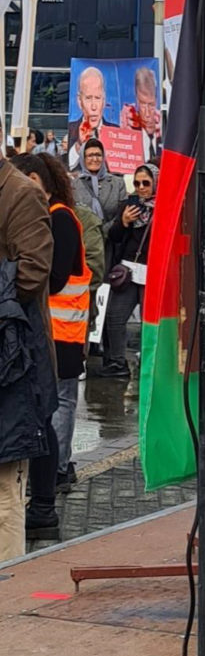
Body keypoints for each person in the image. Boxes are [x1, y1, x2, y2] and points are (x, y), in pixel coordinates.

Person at [11, 154, 91, 509]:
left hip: (61, 332)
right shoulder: (55, 215)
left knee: (56, 405)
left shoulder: (59, 218)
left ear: (32, 179)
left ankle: (55, 473)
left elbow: (54, 278)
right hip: (57, 329)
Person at [0, 149, 55, 558]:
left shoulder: (21, 193)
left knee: (4, 488)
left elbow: (33, 271)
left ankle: (10, 592)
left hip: (12, 364)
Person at [100, 163, 158, 379]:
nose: (141, 187)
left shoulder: (165, 208)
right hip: (128, 271)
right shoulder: (129, 205)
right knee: (115, 317)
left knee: (149, 323)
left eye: (146, 183)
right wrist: (124, 221)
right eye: (137, 183)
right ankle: (117, 362)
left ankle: (149, 363)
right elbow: (114, 237)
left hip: (152, 273)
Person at [71, 138, 128, 248]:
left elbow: (120, 214)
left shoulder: (117, 183)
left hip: (110, 243)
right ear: (83, 158)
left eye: (98, 155)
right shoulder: (74, 185)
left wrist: (103, 232)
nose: (95, 159)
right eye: (90, 155)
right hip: (84, 243)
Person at [68, 65, 118, 169]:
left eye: (98, 98)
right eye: (88, 98)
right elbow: (67, 166)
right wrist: (79, 144)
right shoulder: (71, 129)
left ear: (104, 100)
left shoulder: (116, 131)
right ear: (79, 100)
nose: (94, 106)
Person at [122, 66, 162, 162]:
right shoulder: (128, 128)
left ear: (156, 100)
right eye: (143, 104)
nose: (147, 113)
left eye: (151, 105)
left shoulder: (164, 130)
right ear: (136, 100)